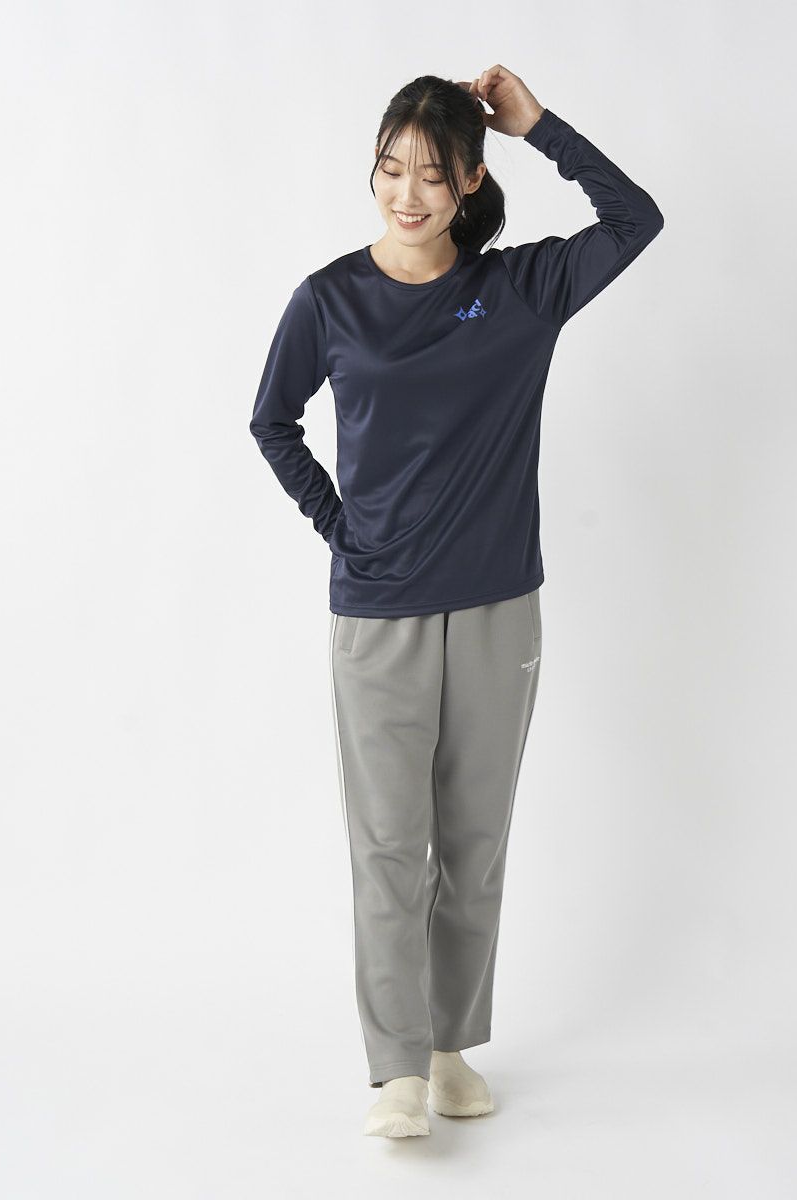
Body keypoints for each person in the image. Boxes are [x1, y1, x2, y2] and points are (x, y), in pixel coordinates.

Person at [249, 64, 664, 1137]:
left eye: (432, 174)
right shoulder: (330, 300)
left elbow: (635, 219)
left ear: (471, 181)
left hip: (495, 610)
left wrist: (538, 124)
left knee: (472, 848)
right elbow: (272, 422)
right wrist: (342, 527)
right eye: (391, 168)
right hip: (378, 615)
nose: (407, 193)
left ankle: (447, 1050)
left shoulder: (520, 290)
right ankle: (395, 1070)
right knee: (390, 847)